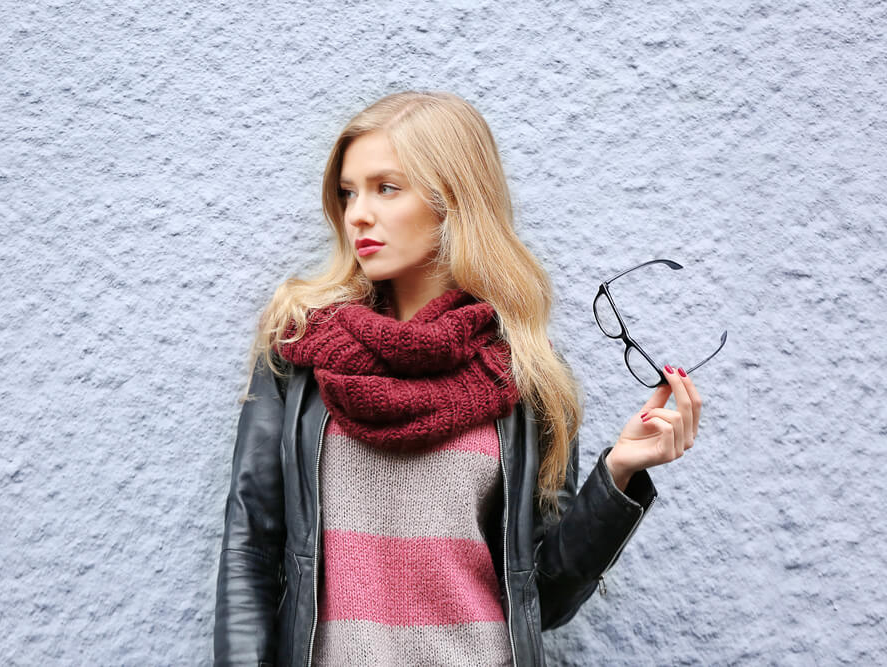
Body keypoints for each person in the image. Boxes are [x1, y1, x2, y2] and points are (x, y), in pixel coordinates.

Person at [214, 91, 704, 667]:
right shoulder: (302, 353)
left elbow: (539, 599)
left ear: (453, 199)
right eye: (348, 192)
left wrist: (618, 475)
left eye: (386, 188)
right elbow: (249, 548)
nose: (357, 215)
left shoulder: (524, 373)